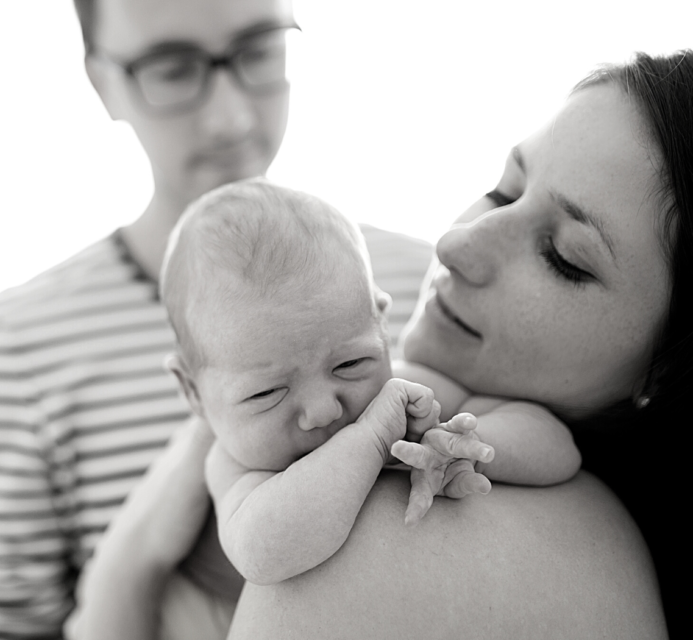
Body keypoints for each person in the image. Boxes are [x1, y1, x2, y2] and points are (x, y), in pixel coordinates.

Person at [71, 50, 692, 639]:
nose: (453, 244)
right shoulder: (238, 453)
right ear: (191, 393)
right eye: (502, 190)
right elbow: (265, 548)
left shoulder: (422, 402)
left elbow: (552, 451)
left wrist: (467, 444)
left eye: (564, 258)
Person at [0, 1, 432, 638]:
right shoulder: (19, 345)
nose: (231, 117)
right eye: (172, 69)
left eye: (258, 50)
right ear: (102, 82)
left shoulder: (422, 282)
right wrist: (138, 556)